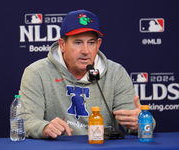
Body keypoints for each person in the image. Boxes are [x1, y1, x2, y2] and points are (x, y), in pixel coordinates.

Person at [20, 10, 155, 139]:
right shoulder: (37, 73)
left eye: (91, 43)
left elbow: (140, 121)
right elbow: (26, 120)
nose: (85, 51)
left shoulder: (116, 73)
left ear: (98, 45)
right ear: (62, 45)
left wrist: (141, 122)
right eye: (78, 42)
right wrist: (44, 128)